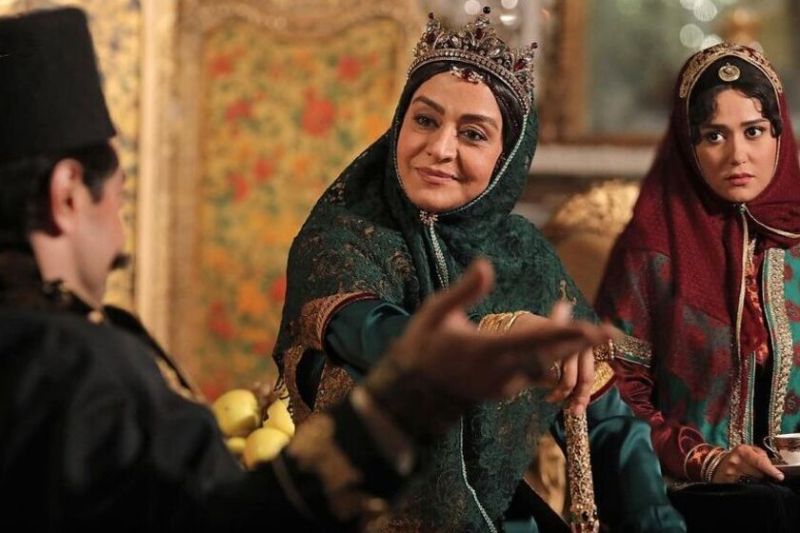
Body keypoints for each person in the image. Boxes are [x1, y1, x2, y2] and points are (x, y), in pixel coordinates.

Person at [0, 7, 615, 531]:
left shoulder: (62, 350)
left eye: (473, 133)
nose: (441, 148)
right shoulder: (82, 368)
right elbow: (243, 521)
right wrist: (415, 393)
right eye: (119, 198)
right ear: (68, 194)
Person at [274, 8, 686, 532]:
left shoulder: (521, 252)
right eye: (425, 120)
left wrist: (658, 523)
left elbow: (607, 423)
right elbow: (379, 340)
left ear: (505, 157)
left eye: (472, 134)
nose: (439, 149)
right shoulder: (339, 236)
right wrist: (500, 332)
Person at [595, 42, 800, 531]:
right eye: (714, 136)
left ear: (779, 134)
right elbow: (614, 394)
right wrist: (706, 459)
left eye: (753, 131)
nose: (737, 155)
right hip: (697, 497)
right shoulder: (652, 252)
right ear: (689, 146)